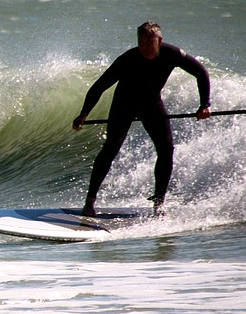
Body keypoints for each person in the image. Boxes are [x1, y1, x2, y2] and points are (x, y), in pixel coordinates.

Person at [72, 22, 211, 217]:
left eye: (149, 42)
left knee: (166, 149)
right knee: (111, 148)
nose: (144, 47)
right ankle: (89, 202)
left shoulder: (172, 54)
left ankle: (159, 203)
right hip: (124, 104)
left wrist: (205, 104)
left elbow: (201, 72)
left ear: (159, 40)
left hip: (151, 104)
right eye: (141, 42)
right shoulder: (127, 59)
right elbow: (99, 86)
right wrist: (84, 113)